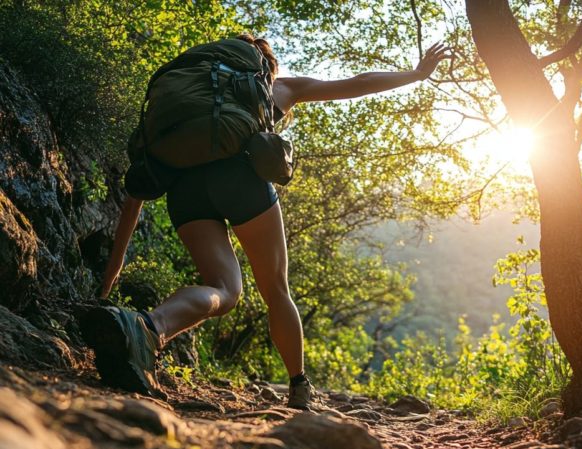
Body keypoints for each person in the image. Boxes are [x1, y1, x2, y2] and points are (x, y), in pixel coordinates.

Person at [85, 34, 450, 410]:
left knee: (222, 288)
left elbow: (135, 196)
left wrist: (107, 285)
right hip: (241, 179)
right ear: (264, 66)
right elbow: (358, 83)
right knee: (275, 290)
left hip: (184, 187)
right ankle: (299, 387)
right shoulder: (276, 89)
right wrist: (417, 74)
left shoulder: (179, 109)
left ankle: (149, 326)